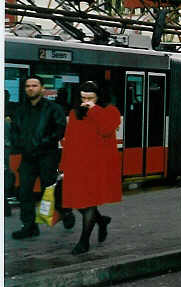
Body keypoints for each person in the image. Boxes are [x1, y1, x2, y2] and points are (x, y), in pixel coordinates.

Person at [60, 81, 122, 255]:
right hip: (78, 165)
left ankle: (84, 241)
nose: (86, 101)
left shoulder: (111, 111)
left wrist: (94, 109)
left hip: (98, 166)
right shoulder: (75, 113)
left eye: (90, 98)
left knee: (88, 203)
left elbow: (106, 130)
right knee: (77, 201)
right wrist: (63, 167)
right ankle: (101, 221)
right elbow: (69, 140)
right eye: (83, 98)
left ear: (98, 97)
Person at [9, 76, 74, 238]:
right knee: (24, 192)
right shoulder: (20, 110)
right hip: (28, 157)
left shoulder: (53, 108)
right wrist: (20, 144)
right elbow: (15, 130)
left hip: (47, 156)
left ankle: (65, 211)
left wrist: (42, 143)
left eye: (34, 85)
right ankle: (29, 226)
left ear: (42, 89)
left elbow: (59, 129)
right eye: (28, 86)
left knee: (49, 189)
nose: (31, 88)